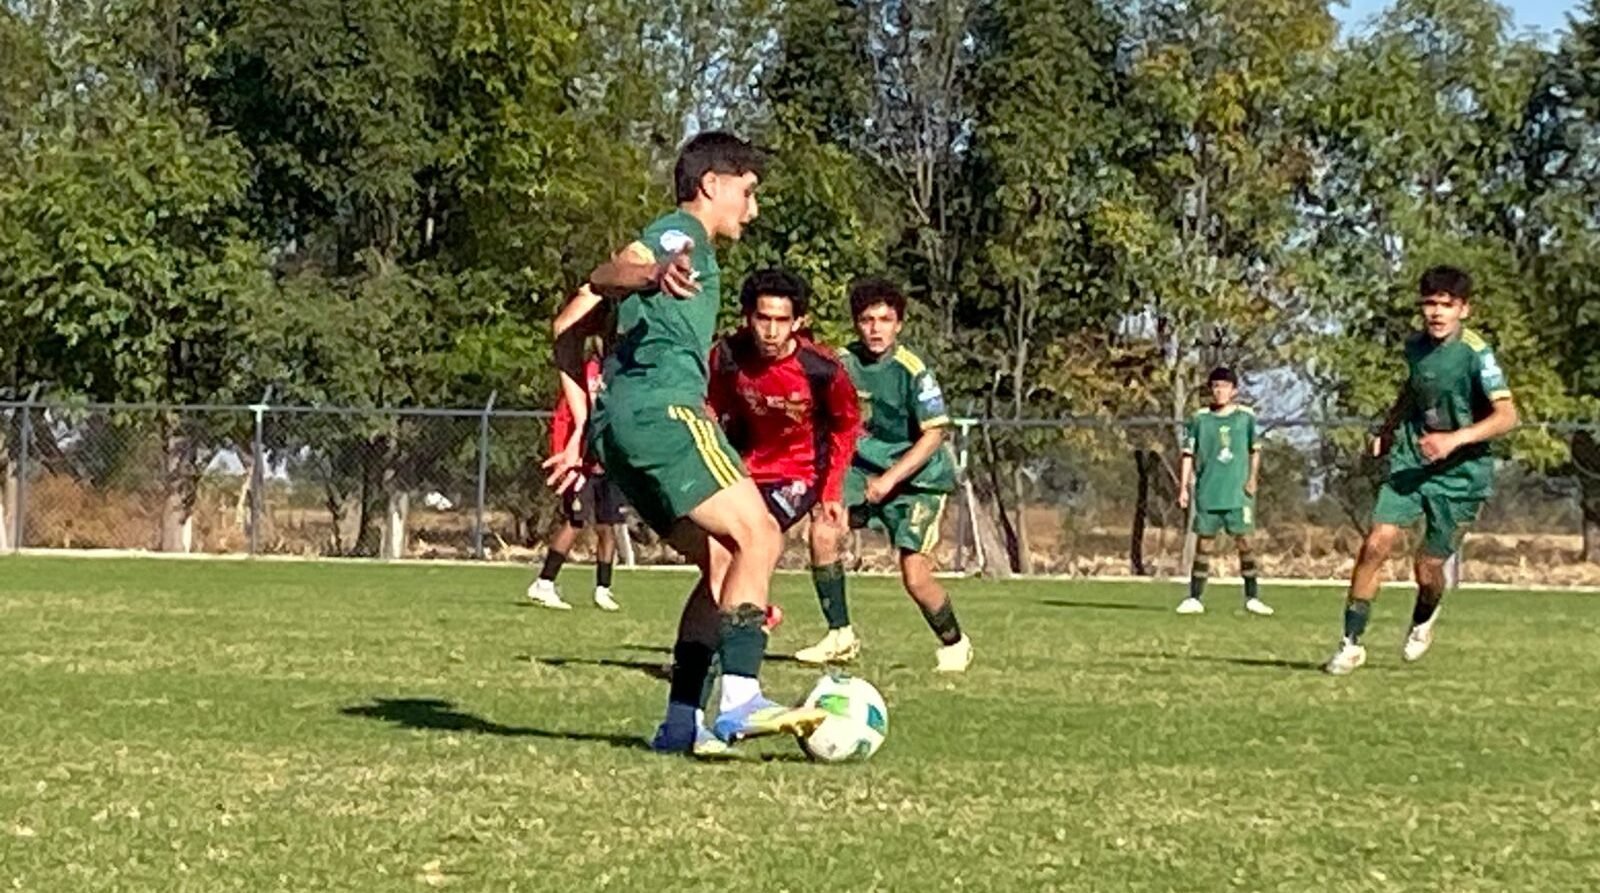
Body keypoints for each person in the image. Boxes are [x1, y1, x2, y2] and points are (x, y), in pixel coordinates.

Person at [548, 132, 826, 751]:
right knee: (761, 533)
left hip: (623, 429)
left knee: (724, 561)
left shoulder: (673, 249)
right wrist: (652, 271)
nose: (752, 209)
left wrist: (583, 426)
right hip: (666, 413)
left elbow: (565, 327)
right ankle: (742, 699)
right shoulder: (681, 235)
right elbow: (608, 272)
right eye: (747, 192)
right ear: (711, 185)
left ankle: (680, 722)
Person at [1323, 265, 1518, 675]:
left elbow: (1507, 416)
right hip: (1413, 460)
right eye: (1429, 303)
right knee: (1375, 544)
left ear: (1464, 309)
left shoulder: (1477, 354)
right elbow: (1413, 389)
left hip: (1462, 473)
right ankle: (1350, 643)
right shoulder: (1415, 347)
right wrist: (1388, 430)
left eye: (1446, 305)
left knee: (1427, 568)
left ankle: (1424, 617)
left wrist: (1454, 439)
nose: (1436, 312)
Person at [799, 277, 974, 672]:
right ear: (856, 324)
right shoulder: (840, 364)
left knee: (915, 576)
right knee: (823, 531)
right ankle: (840, 634)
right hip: (861, 471)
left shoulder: (913, 371)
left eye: (885, 320)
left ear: (899, 325)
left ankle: (955, 642)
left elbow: (934, 434)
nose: (876, 329)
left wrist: (891, 478)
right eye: (867, 320)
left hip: (916, 481)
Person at [527, 338, 625, 612]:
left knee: (608, 526)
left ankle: (603, 588)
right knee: (576, 521)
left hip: (608, 465)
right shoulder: (584, 375)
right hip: (580, 465)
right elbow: (563, 418)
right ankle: (544, 582)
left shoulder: (620, 376)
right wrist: (564, 458)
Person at [1175, 367, 1274, 617]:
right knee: (1204, 544)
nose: (1220, 391)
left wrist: (1252, 479)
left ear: (1234, 391)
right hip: (1209, 492)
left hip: (1237, 493)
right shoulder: (1199, 419)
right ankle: (1194, 598)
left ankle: (1252, 597)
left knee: (1245, 542)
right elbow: (1188, 454)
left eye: (1225, 386)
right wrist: (1183, 487)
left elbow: (1255, 450)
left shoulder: (1245, 417)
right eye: (1216, 386)